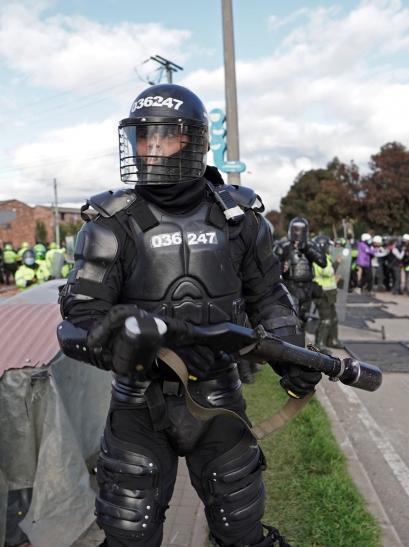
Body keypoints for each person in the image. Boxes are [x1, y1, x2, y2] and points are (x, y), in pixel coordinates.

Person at [57, 83, 316, 547]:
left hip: (219, 397)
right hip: (138, 404)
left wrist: (292, 355)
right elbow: (79, 319)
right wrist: (131, 347)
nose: (150, 148)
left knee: (242, 535)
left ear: (194, 142)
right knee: (127, 537)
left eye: (165, 137)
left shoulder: (241, 217)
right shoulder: (111, 222)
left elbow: (269, 297)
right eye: (142, 137)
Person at [280, 217, 327, 341]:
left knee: (304, 317)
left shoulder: (311, 245)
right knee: (291, 317)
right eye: (295, 231)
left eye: (300, 231)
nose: (298, 234)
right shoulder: (284, 245)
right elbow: (270, 265)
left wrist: (307, 248)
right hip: (291, 286)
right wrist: (281, 267)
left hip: (307, 287)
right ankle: (289, 345)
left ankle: (302, 346)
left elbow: (322, 262)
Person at [312, 235, 344, 355]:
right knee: (326, 320)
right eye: (328, 246)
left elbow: (330, 274)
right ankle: (320, 344)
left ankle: (332, 340)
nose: (330, 248)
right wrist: (337, 263)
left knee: (334, 319)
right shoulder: (319, 259)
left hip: (330, 293)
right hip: (323, 293)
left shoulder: (325, 257)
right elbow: (327, 271)